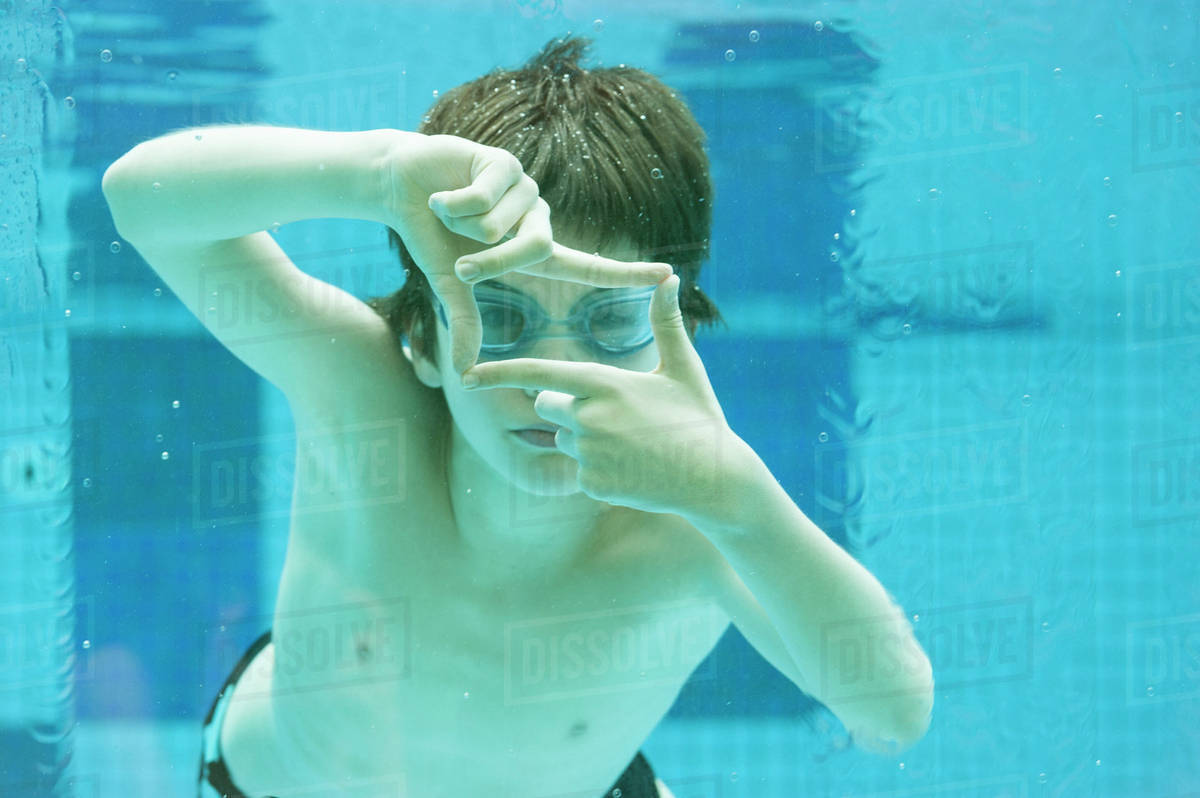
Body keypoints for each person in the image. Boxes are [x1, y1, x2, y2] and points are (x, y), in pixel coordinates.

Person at [102, 35, 933, 798]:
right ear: (420, 338)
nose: (555, 383)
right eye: (501, 318)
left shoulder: (705, 520)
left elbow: (893, 715)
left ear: (671, 340)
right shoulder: (364, 394)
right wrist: (379, 173)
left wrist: (736, 498)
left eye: (610, 323)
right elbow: (139, 198)